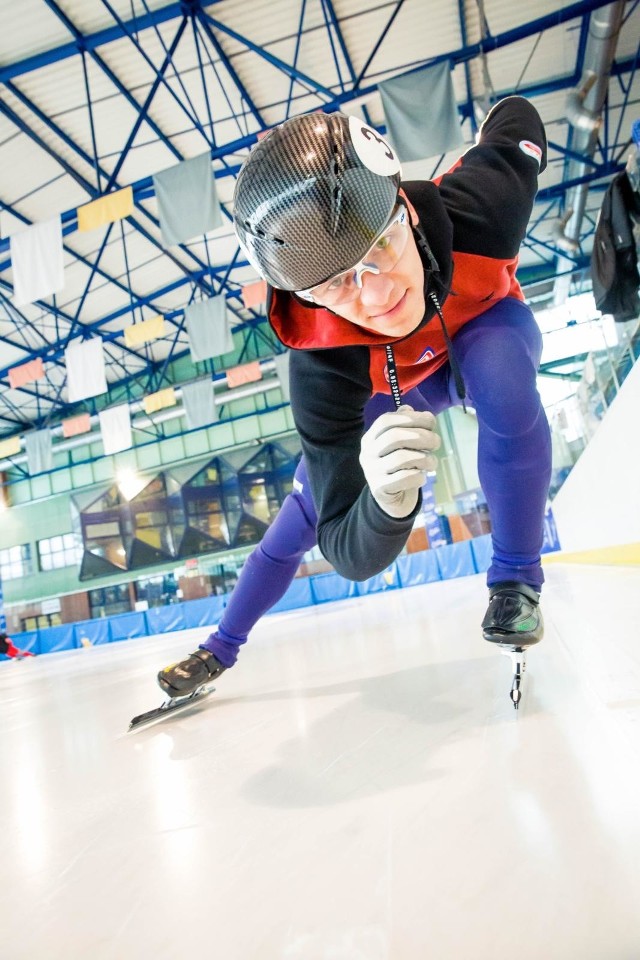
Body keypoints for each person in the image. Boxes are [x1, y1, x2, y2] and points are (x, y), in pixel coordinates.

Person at [159, 96, 551, 699]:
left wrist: (497, 115)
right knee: (305, 513)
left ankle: (517, 580)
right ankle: (220, 646)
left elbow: (516, 116)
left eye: (381, 248)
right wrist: (387, 507)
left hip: (480, 335)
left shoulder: (485, 207)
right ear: (308, 298)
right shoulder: (320, 363)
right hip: (387, 392)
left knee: (502, 378)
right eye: (337, 283)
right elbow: (347, 547)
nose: (377, 296)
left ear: (407, 211)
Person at [157, 388, 428, 698]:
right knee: (278, 547)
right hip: (335, 457)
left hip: (404, 409)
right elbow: (271, 557)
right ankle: (217, 650)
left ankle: (500, 581)